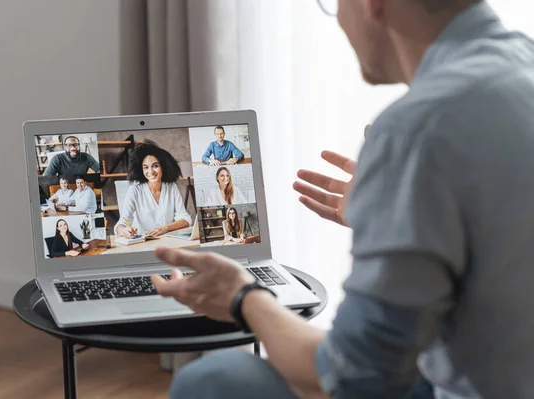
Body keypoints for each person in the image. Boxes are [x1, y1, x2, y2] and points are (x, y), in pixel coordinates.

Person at [147, 1, 534, 398]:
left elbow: (356, 376)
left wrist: (243, 296)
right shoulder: (522, 63)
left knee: (212, 381)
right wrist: (404, 220)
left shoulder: (418, 126)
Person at [115, 141, 191, 237]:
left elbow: (185, 219)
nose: (150, 171)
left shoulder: (171, 187)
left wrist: (165, 228)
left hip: (169, 241)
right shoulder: (134, 191)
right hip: (144, 243)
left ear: (163, 167)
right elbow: (121, 224)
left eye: (155, 166)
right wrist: (124, 230)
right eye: (145, 167)